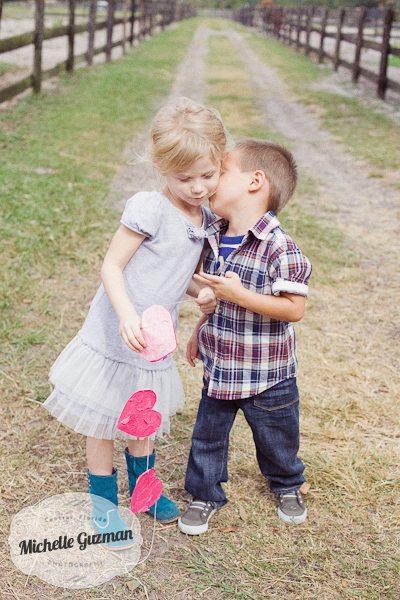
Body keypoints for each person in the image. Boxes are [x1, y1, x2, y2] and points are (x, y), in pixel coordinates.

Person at [43, 98, 226, 541]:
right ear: (162, 168)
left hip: (153, 342)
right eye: (185, 178)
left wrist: (200, 292)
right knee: (105, 418)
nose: (198, 187)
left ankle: (145, 492)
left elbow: (178, 273)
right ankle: (103, 501)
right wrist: (127, 315)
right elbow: (112, 265)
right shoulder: (150, 208)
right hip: (117, 332)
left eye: (208, 175)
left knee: (142, 416)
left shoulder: (205, 219)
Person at [178, 139, 312, 536]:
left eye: (221, 171)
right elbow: (215, 300)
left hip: (268, 372)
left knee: (277, 437)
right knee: (207, 437)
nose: (211, 181)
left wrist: (241, 295)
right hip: (222, 366)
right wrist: (199, 329)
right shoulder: (214, 236)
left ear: (255, 181)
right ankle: (204, 493)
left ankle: (287, 483)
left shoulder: (279, 246)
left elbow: (294, 309)